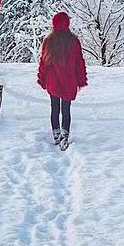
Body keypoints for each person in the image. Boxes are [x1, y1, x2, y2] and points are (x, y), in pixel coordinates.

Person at [36, 11, 88, 149]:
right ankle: (65, 135)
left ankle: (56, 133)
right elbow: (79, 62)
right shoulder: (73, 41)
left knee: (54, 108)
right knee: (66, 109)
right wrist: (81, 80)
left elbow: (43, 62)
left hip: (53, 81)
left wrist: (41, 79)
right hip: (69, 81)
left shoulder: (49, 41)